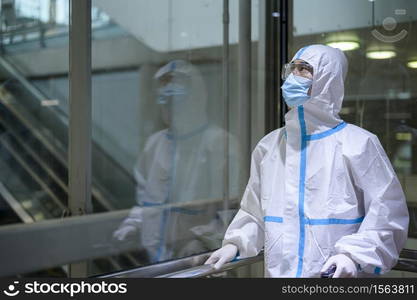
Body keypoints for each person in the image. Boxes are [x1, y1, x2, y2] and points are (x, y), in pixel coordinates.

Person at [205, 44, 409, 278]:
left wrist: (353, 256)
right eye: (291, 69)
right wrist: (236, 243)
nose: (294, 76)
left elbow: (387, 214)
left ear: (327, 78)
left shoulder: (359, 144)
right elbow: (254, 211)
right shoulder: (270, 146)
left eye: (304, 69)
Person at [113, 60, 240, 263]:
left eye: (176, 100)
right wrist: (133, 224)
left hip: (200, 258)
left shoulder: (219, 143)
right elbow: (146, 198)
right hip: (155, 255)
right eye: (164, 100)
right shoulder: (156, 143)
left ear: (197, 99)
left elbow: (232, 207)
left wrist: (203, 240)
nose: (169, 108)